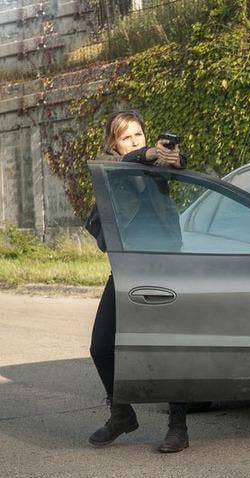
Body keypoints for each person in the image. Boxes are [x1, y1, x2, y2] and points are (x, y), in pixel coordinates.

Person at [86, 109, 190, 453]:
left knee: (169, 349)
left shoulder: (159, 168)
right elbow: (130, 160)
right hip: (128, 267)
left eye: (139, 134)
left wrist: (175, 160)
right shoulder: (109, 168)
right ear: (114, 144)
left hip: (165, 264)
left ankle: (178, 427)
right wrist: (145, 154)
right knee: (101, 346)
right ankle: (121, 414)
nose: (135, 141)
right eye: (126, 136)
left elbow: (181, 167)